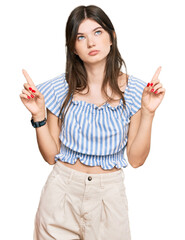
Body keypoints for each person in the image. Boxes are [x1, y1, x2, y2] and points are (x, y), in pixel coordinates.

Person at [19, 5, 165, 240]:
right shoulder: (58, 89)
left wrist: (148, 112)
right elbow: (50, 156)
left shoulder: (136, 92)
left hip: (109, 197)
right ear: (73, 48)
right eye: (81, 37)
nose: (91, 43)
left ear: (111, 37)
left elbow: (136, 160)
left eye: (97, 32)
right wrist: (38, 117)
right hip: (61, 194)